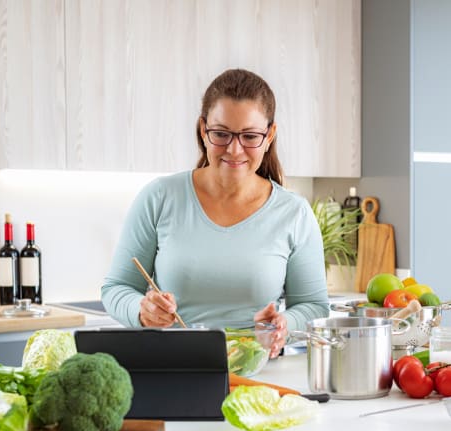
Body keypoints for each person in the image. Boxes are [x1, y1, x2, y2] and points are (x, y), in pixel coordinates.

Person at [101, 68, 329, 356]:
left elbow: (314, 307)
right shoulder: (159, 197)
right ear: (202, 130)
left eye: (249, 136)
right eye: (221, 134)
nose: (234, 150)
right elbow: (117, 288)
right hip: (174, 368)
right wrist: (141, 310)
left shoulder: (294, 213)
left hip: (257, 376)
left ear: (270, 135)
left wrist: (283, 325)